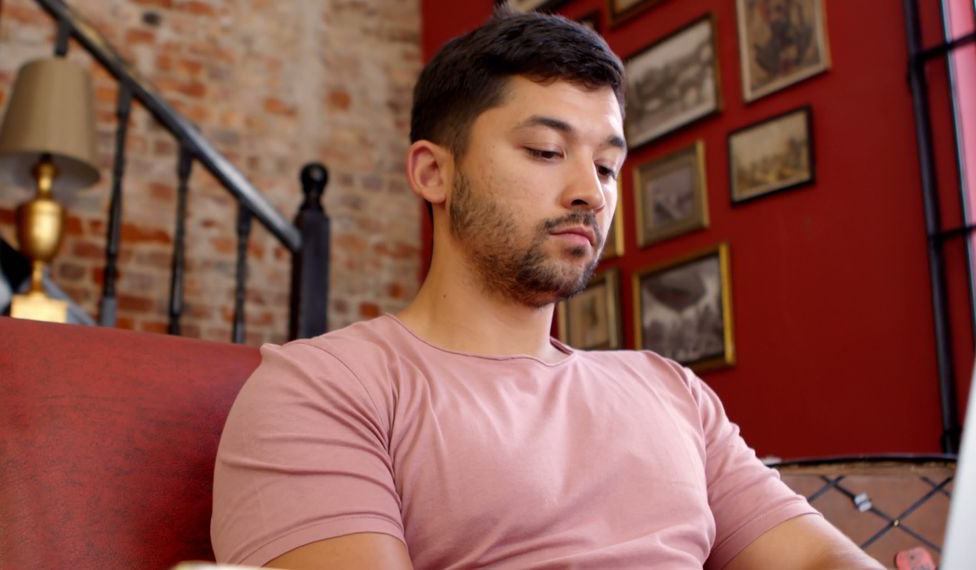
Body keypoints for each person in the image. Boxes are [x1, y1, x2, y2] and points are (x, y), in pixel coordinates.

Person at [211, 7, 882, 570]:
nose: (590, 193)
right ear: (433, 173)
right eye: (544, 151)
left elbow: (820, 559)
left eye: (608, 165)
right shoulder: (325, 389)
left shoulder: (670, 390)